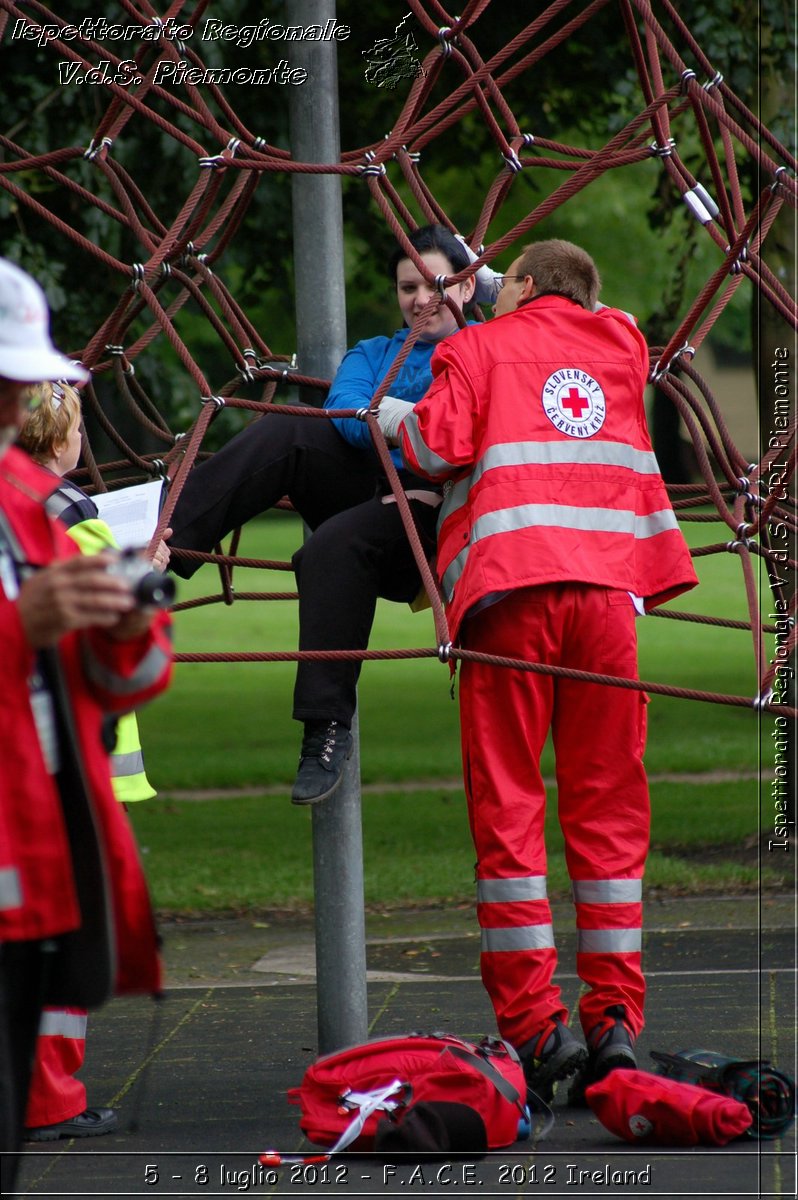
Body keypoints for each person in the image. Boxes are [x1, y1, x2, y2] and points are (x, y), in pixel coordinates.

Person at [381, 239, 699, 1102]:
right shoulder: (621, 343)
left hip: (513, 596)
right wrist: (506, 279)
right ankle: (615, 1022)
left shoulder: (476, 347)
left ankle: (535, 1026)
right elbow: (589, 306)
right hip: (607, 603)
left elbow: (436, 447)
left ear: (517, 288)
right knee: (609, 811)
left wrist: (389, 420)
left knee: (510, 809)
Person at [168, 224, 478, 804]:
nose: (420, 299)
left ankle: (325, 729)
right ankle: (161, 543)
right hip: (384, 490)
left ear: (465, 288)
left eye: (436, 284)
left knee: (330, 546)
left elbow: (471, 431)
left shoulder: (489, 346)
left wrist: (399, 441)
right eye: (407, 286)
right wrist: (414, 436)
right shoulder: (373, 353)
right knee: (290, 424)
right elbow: (342, 413)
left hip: (438, 526)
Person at [0, 258, 173, 1189]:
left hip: (35, 853)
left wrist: (131, 625)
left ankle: (47, 1099)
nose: (12, 407)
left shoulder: (32, 510)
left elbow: (130, 679)